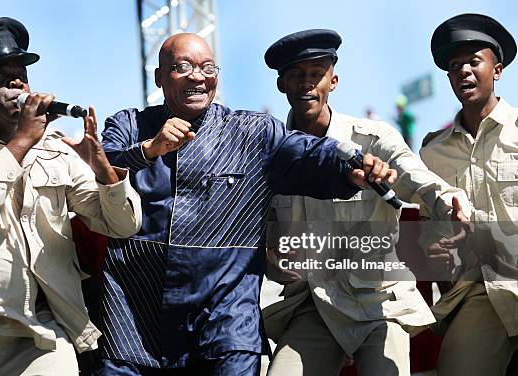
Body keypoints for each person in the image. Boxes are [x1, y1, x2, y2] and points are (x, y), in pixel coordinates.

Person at [99, 33, 398, 375]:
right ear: (159, 77)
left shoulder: (252, 132)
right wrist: (150, 149)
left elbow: (308, 153)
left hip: (225, 322)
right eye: (183, 67)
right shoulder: (128, 125)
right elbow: (104, 166)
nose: (198, 76)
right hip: (135, 322)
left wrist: (350, 171)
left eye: (207, 67)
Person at [0, 17, 142, 375]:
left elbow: (122, 225)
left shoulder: (53, 146)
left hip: (40, 336)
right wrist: (22, 142)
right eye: (1, 77)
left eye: (21, 75)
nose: (17, 83)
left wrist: (103, 169)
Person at [261, 29, 472, 376]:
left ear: (334, 80)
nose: (306, 84)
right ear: (281, 84)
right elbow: (265, 242)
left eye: (316, 75)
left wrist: (449, 205)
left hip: (378, 300)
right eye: (296, 75)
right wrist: (276, 261)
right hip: (315, 303)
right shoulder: (271, 153)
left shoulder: (372, 138)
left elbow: (414, 175)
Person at [420, 13, 518, 376]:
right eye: (453, 66)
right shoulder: (432, 152)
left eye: (473, 62)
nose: (462, 71)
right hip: (479, 292)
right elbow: (430, 232)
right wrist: (436, 247)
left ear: (498, 69)